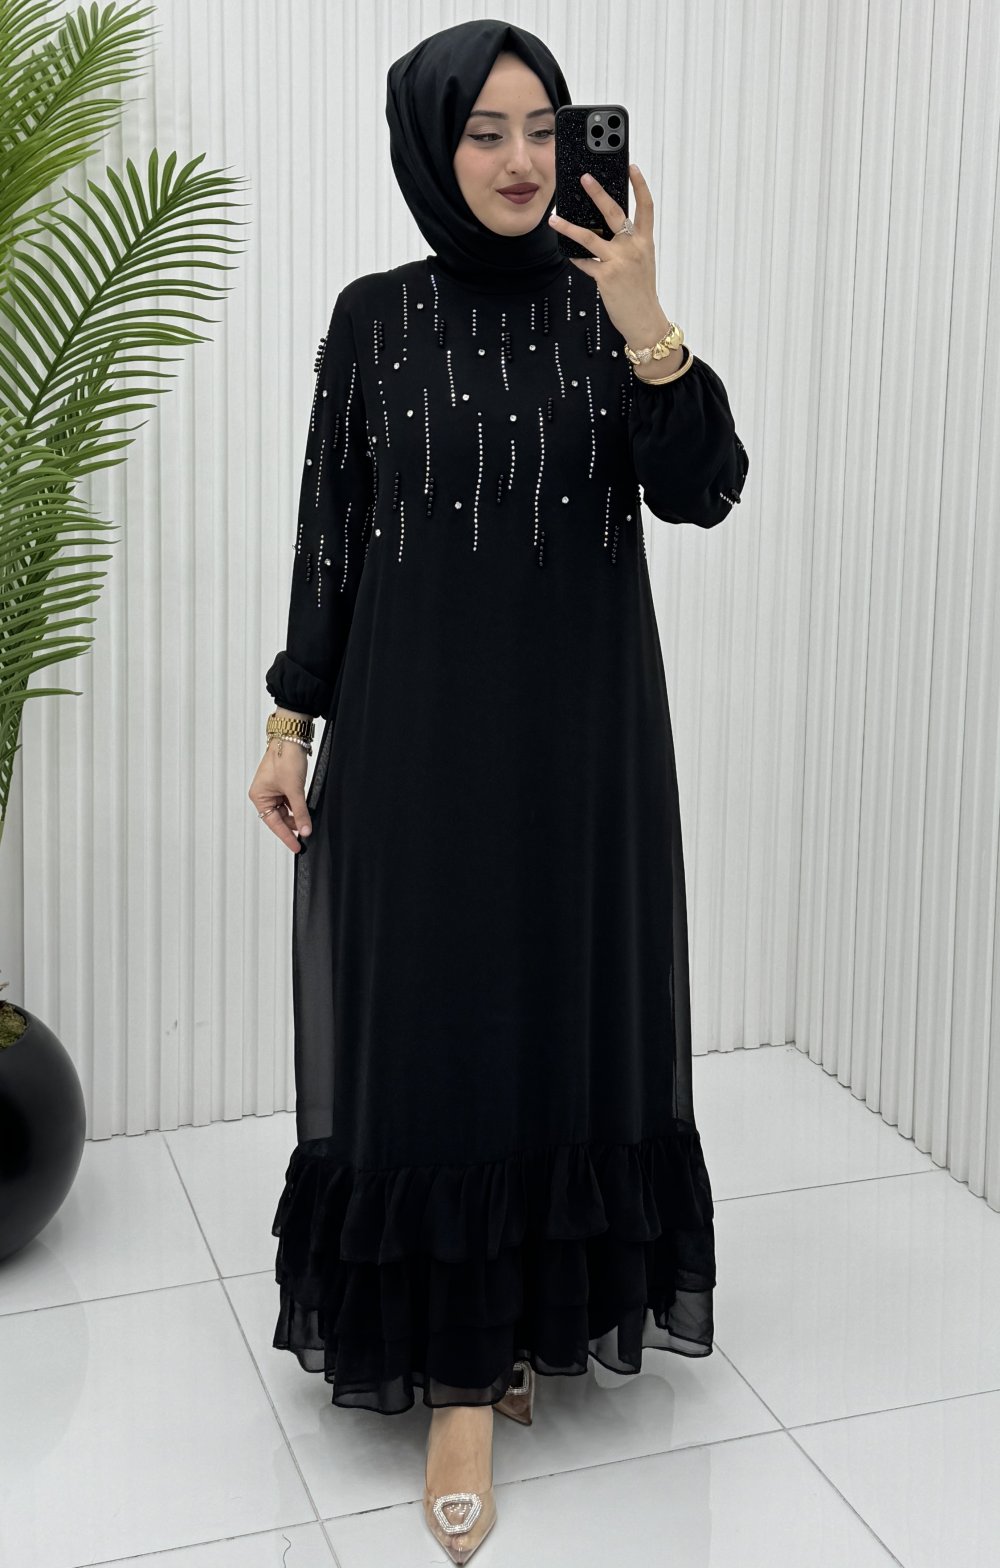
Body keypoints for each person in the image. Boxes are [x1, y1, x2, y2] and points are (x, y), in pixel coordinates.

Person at [248, 18, 748, 1563]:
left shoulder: (610, 308)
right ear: (431, 144)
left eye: (543, 127)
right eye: (486, 131)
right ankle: (461, 1376)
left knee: (563, 1010)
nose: (524, 159)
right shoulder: (374, 319)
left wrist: (649, 318)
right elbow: (333, 527)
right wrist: (289, 718)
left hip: (584, 740)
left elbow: (705, 489)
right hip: (415, 738)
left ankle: (532, 1318)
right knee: (435, 1024)